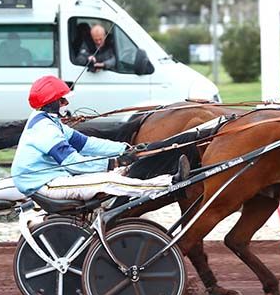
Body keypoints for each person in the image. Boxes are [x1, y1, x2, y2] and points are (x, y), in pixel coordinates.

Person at [11, 75, 189, 201]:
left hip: (53, 177)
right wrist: (115, 163)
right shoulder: (44, 129)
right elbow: (74, 162)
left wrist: (125, 149)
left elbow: (87, 143)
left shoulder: (48, 121)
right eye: (63, 101)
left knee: (117, 175)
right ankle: (170, 183)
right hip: (43, 184)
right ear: (51, 102)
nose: (66, 104)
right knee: (109, 180)